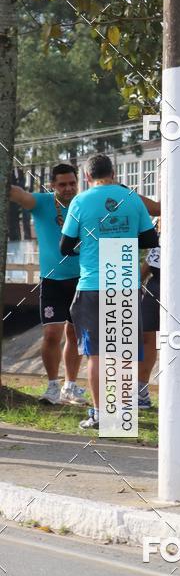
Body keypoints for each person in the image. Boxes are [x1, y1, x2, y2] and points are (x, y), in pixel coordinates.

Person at [60, 154, 158, 429]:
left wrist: (90, 242)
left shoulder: (80, 201)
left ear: (88, 177)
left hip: (93, 283)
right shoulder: (132, 198)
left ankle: (102, 414)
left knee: (98, 354)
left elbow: (65, 247)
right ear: (113, 173)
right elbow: (151, 239)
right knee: (123, 351)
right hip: (124, 278)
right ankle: (123, 414)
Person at [10, 164, 87, 406]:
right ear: (53, 185)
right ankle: (53, 385)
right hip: (52, 280)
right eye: (62, 184)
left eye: (72, 183)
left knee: (74, 334)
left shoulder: (85, 203)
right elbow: (15, 193)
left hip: (82, 279)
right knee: (51, 334)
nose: (68, 188)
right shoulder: (41, 202)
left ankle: (70, 386)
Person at [139, 219, 160, 409]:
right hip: (155, 286)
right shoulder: (159, 230)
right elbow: (148, 265)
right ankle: (141, 391)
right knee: (146, 336)